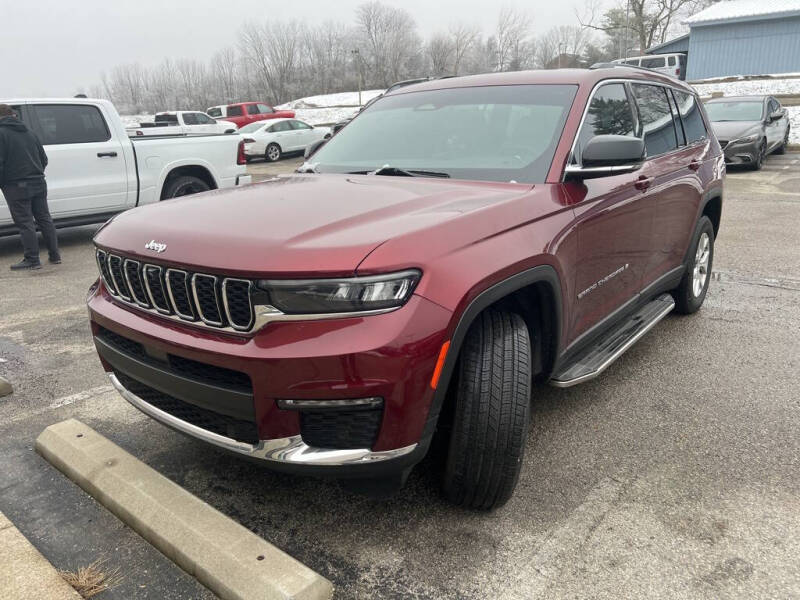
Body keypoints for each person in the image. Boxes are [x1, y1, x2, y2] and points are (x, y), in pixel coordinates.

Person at [0, 104, 60, 270]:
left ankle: (32, 260)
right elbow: (44, 159)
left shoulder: (1, 134)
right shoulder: (30, 132)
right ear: (13, 115)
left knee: (25, 222)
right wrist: (35, 173)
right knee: (44, 219)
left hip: (16, 186)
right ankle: (55, 255)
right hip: (39, 182)